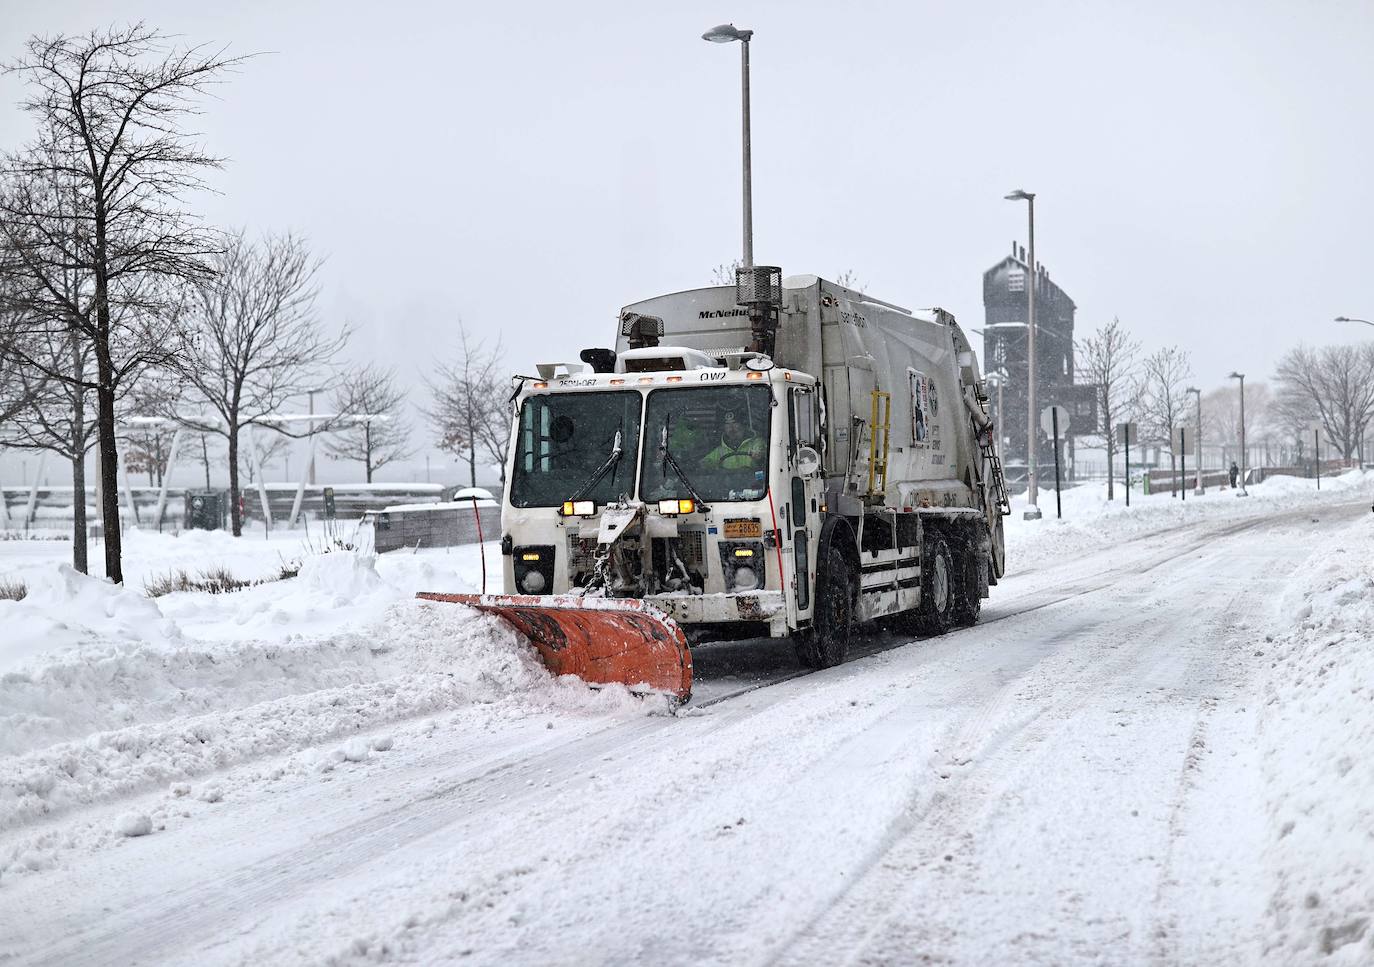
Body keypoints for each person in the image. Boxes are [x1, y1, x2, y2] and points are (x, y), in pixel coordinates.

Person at [701, 406, 764, 471]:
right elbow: (704, 463)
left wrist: (758, 457)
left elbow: (762, 454)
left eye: (735, 423)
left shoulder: (756, 443)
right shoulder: (720, 451)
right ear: (724, 429)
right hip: (726, 481)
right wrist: (706, 465)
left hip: (757, 480)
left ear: (743, 425)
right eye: (727, 425)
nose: (731, 428)